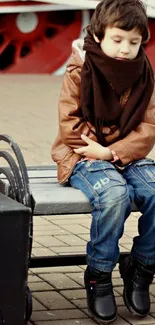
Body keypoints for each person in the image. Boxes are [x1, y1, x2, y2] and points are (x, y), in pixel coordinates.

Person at [51, 0, 155, 323]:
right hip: (81, 153)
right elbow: (70, 125)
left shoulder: (144, 76)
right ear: (98, 36)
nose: (125, 49)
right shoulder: (80, 67)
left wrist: (111, 153)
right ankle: (99, 274)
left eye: (134, 42)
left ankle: (141, 266)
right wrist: (98, 151)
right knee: (114, 195)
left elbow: (148, 128)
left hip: (121, 153)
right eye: (118, 40)